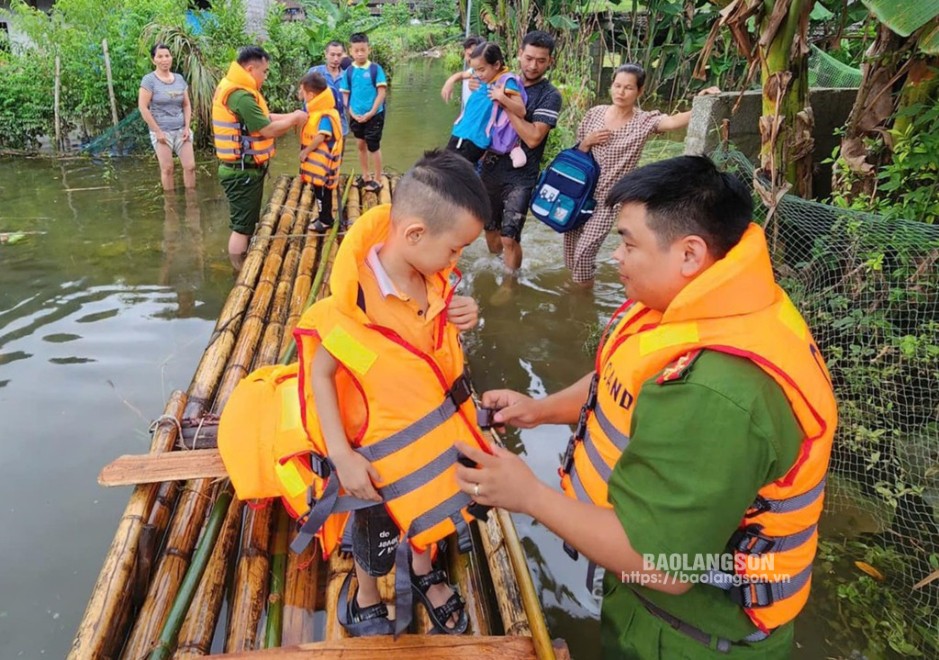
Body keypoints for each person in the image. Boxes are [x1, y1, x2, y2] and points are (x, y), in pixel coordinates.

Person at [454, 156, 838, 659]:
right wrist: (539, 409)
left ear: (689, 253)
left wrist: (529, 496)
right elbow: (621, 377)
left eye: (629, 242)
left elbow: (662, 567)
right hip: (647, 605)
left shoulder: (718, 393)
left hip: (693, 635)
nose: (617, 257)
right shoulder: (706, 303)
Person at [298, 149, 491, 637]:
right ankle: (365, 594)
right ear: (413, 235)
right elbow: (322, 375)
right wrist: (342, 456)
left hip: (430, 439)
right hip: (377, 455)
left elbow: (431, 356)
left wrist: (463, 312)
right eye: (455, 249)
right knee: (375, 533)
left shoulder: (434, 278)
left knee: (429, 506)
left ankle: (424, 569)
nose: (457, 260)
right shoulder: (353, 308)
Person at [565, 64, 720, 288]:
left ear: (639, 91)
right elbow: (576, 152)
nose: (621, 92)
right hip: (579, 193)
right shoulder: (595, 114)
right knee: (570, 252)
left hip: (610, 199)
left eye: (628, 88)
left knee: (583, 252)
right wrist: (587, 142)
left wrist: (700, 102)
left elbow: (672, 122)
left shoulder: (643, 121)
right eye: (617, 86)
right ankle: (578, 288)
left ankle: (580, 304)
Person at [212, 46, 308, 266]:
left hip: (242, 169)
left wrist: (293, 115)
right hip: (241, 172)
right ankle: (239, 269)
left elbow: (264, 118)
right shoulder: (240, 96)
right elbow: (267, 130)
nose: (265, 76)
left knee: (245, 223)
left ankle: (241, 262)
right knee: (241, 228)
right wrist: (294, 120)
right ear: (250, 68)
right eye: (264, 72)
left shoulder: (234, 88)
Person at [479, 30, 562, 276]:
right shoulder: (503, 80)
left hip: (522, 174)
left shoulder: (550, 96)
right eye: (528, 58)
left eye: (541, 60)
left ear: (550, 62)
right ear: (519, 54)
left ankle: (509, 282)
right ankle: (497, 265)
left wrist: (506, 103)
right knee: (490, 230)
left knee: (509, 237)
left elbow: (534, 137)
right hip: (491, 167)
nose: (533, 65)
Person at [446, 42, 526, 165]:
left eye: (481, 70)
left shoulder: (506, 81)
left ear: (496, 65)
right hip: (460, 131)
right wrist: (450, 81)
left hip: (477, 138)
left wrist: (502, 98)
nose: (478, 74)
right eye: (476, 70)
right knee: (445, 169)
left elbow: (521, 111)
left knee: (452, 172)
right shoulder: (484, 76)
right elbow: (463, 74)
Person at [138, 44, 196, 191]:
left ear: (171, 58)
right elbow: (143, 108)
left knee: (190, 167)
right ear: (154, 60)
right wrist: (157, 131)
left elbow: (186, 105)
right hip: (162, 132)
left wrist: (187, 127)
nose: (164, 59)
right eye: (160, 56)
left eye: (167, 56)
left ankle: (191, 203)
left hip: (181, 130)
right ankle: (170, 205)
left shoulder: (179, 79)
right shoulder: (149, 80)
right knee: (168, 169)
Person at [341, 33, 388, 193]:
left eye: (363, 50)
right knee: (360, 144)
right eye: (356, 50)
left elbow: (381, 93)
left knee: (373, 146)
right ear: (351, 51)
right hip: (356, 115)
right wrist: (351, 112)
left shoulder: (375, 69)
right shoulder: (348, 71)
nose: (360, 53)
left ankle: (377, 179)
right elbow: (345, 94)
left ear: (369, 49)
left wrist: (372, 112)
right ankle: (365, 175)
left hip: (374, 115)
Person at [298, 72, 344, 232]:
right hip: (320, 167)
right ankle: (323, 215)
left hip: (324, 167)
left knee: (323, 194)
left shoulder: (324, 115)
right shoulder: (319, 111)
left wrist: (306, 152)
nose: (300, 94)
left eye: (302, 92)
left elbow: (322, 136)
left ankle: (325, 220)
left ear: (310, 95)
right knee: (320, 193)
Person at [306, 41, 350, 136]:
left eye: (339, 55)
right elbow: (306, 99)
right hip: (317, 124)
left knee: (338, 150)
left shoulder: (347, 76)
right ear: (325, 54)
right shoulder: (314, 72)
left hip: (340, 125)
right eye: (332, 55)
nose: (335, 59)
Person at [440, 35, 484, 108]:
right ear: (464, 52)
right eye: (469, 55)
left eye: (475, 56)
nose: (471, 59)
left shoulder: (488, 75)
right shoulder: (471, 71)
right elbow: (463, 75)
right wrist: (450, 80)